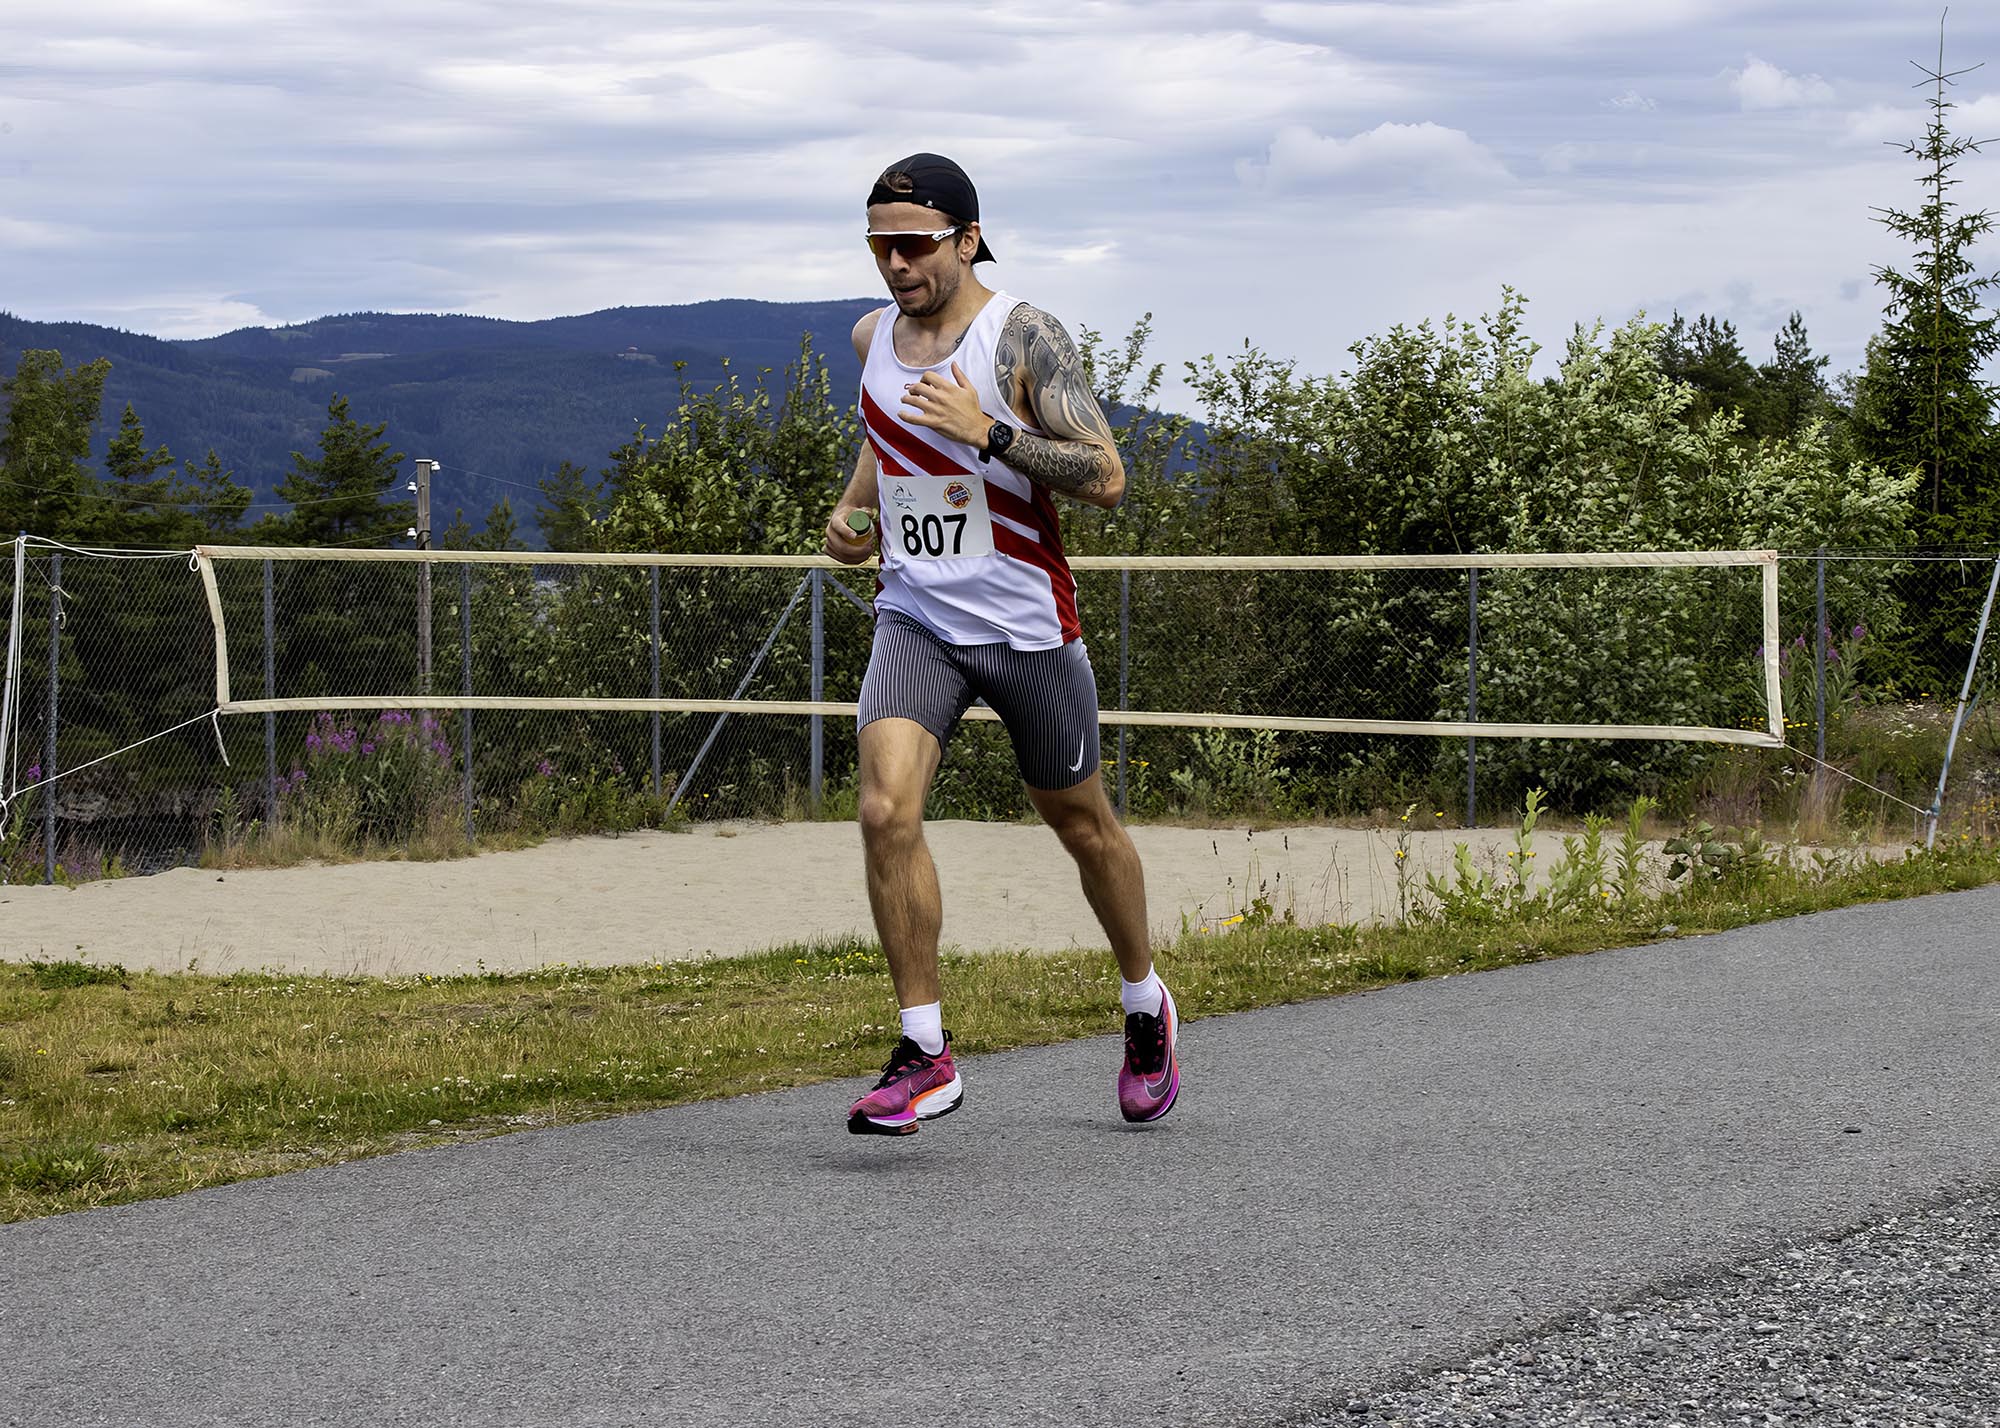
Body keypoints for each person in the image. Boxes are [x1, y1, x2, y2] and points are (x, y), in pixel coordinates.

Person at [823, 152, 1179, 1136]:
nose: (895, 266)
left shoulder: (1021, 336)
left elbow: (1105, 476)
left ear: (967, 238)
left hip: (1026, 628)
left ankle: (1144, 1002)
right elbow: (885, 435)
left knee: (1081, 824)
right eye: (878, 246)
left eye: (913, 246)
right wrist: (852, 517)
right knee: (882, 808)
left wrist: (989, 432)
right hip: (917, 620)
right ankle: (925, 1053)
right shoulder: (872, 339)